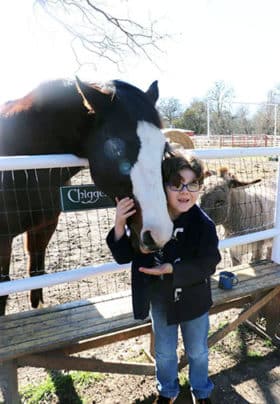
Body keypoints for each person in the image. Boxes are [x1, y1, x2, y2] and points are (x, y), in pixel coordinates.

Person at [106, 153, 221, 404]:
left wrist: (173, 270)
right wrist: (119, 224)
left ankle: (201, 390)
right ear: (163, 187)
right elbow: (124, 256)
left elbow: (209, 263)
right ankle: (167, 391)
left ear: (200, 188)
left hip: (194, 300)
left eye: (192, 184)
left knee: (198, 351)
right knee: (165, 353)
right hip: (160, 301)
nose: (184, 191)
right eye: (176, 184)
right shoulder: (147, 220)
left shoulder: (204, 225)